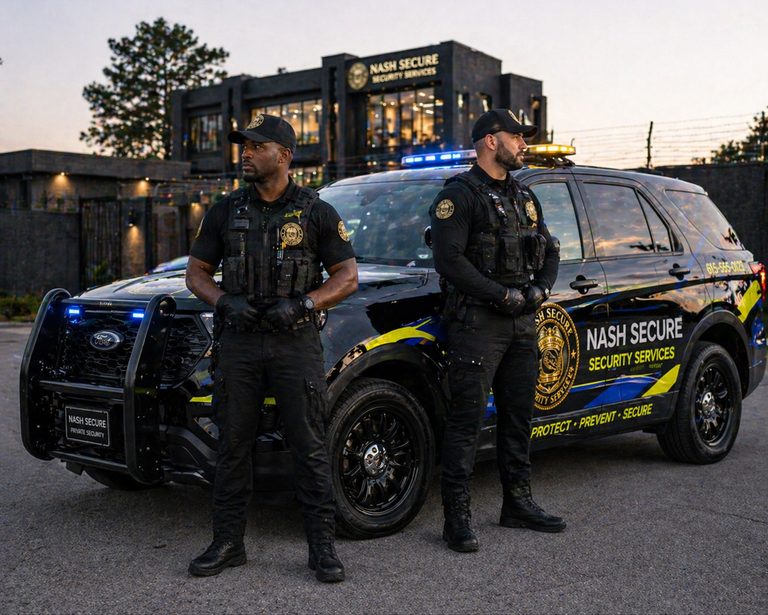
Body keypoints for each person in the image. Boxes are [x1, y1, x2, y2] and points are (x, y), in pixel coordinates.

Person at [185, 114, 358, 582]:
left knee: (308, 443)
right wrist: (224, 302)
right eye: (243, 146)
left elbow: (347, 277)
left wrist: (305, 303)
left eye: (255, 146)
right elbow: (196, 273)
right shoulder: (225, 210)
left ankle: (322, 548)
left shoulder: (316, 211)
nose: (244, 153)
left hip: (294, 342)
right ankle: (227, 543)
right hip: (239, 342)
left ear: (283, 156)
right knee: (233, 443)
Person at [429, 109, 564, 553]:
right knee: (466, 422)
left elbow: (549, 248)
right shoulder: (459, 195)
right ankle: (457, 519)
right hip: (478, 324)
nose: (524, 144)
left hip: (523, 321)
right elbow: (449, 260)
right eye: (517, 136)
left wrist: (541, 290)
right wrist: (499, 296)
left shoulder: (525, 196)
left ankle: (518, 504)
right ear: (491, 141)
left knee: (518, 417)